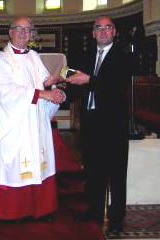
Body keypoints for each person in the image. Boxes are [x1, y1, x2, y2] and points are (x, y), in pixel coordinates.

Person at [0, 16, 65, 221]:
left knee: (39, 160)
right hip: (15, 124)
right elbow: (5, 93)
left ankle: (41, 209)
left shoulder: (33, 57)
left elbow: (44, 83)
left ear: (32, 34)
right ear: (10, 32)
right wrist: (43, 94)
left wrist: (54, 89)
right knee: (18, 165)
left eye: (27, 30)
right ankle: (16, 211)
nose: (23, 33)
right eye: (19, 29)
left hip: (36, 123)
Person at [66, 15, 131, 233]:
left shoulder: (124, 55)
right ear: (93, 33)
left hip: (113, 125)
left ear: (114, 32)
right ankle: (94, 210)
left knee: (116, 174)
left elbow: (116, 86)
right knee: (93, 170)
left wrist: (89, 80)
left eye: (107, 27)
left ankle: (116, 219)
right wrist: (58, 93)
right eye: (98, 28)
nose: (103, 31)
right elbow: (76, 84)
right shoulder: (85, 55)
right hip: (91, 123)